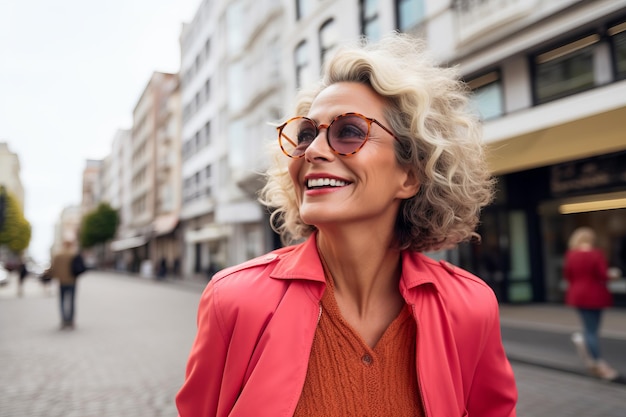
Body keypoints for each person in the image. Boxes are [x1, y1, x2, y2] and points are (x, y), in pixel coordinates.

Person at [176, 33, 518, 416]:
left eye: (350, 132)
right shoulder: (234, 299)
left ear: (410, 174)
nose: (314, 150)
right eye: (306, 135)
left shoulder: (469, 307)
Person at [564, 226, 619, 381]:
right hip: (595, 295)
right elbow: (603, 275)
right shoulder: (596, 254)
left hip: (578, 295)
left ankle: (585, 347)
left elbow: (568, 275)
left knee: (588, 328)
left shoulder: (571, 255)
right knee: (593, 330)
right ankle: (597, 362)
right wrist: (613, 275)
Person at [48, 240, 84, 330]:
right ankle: (71, 321)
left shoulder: (58, 255)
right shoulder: (73, 254)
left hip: (61, 282)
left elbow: (53, 268)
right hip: (72, 281)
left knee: (62, 301)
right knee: (71, 302)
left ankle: (64, 321)